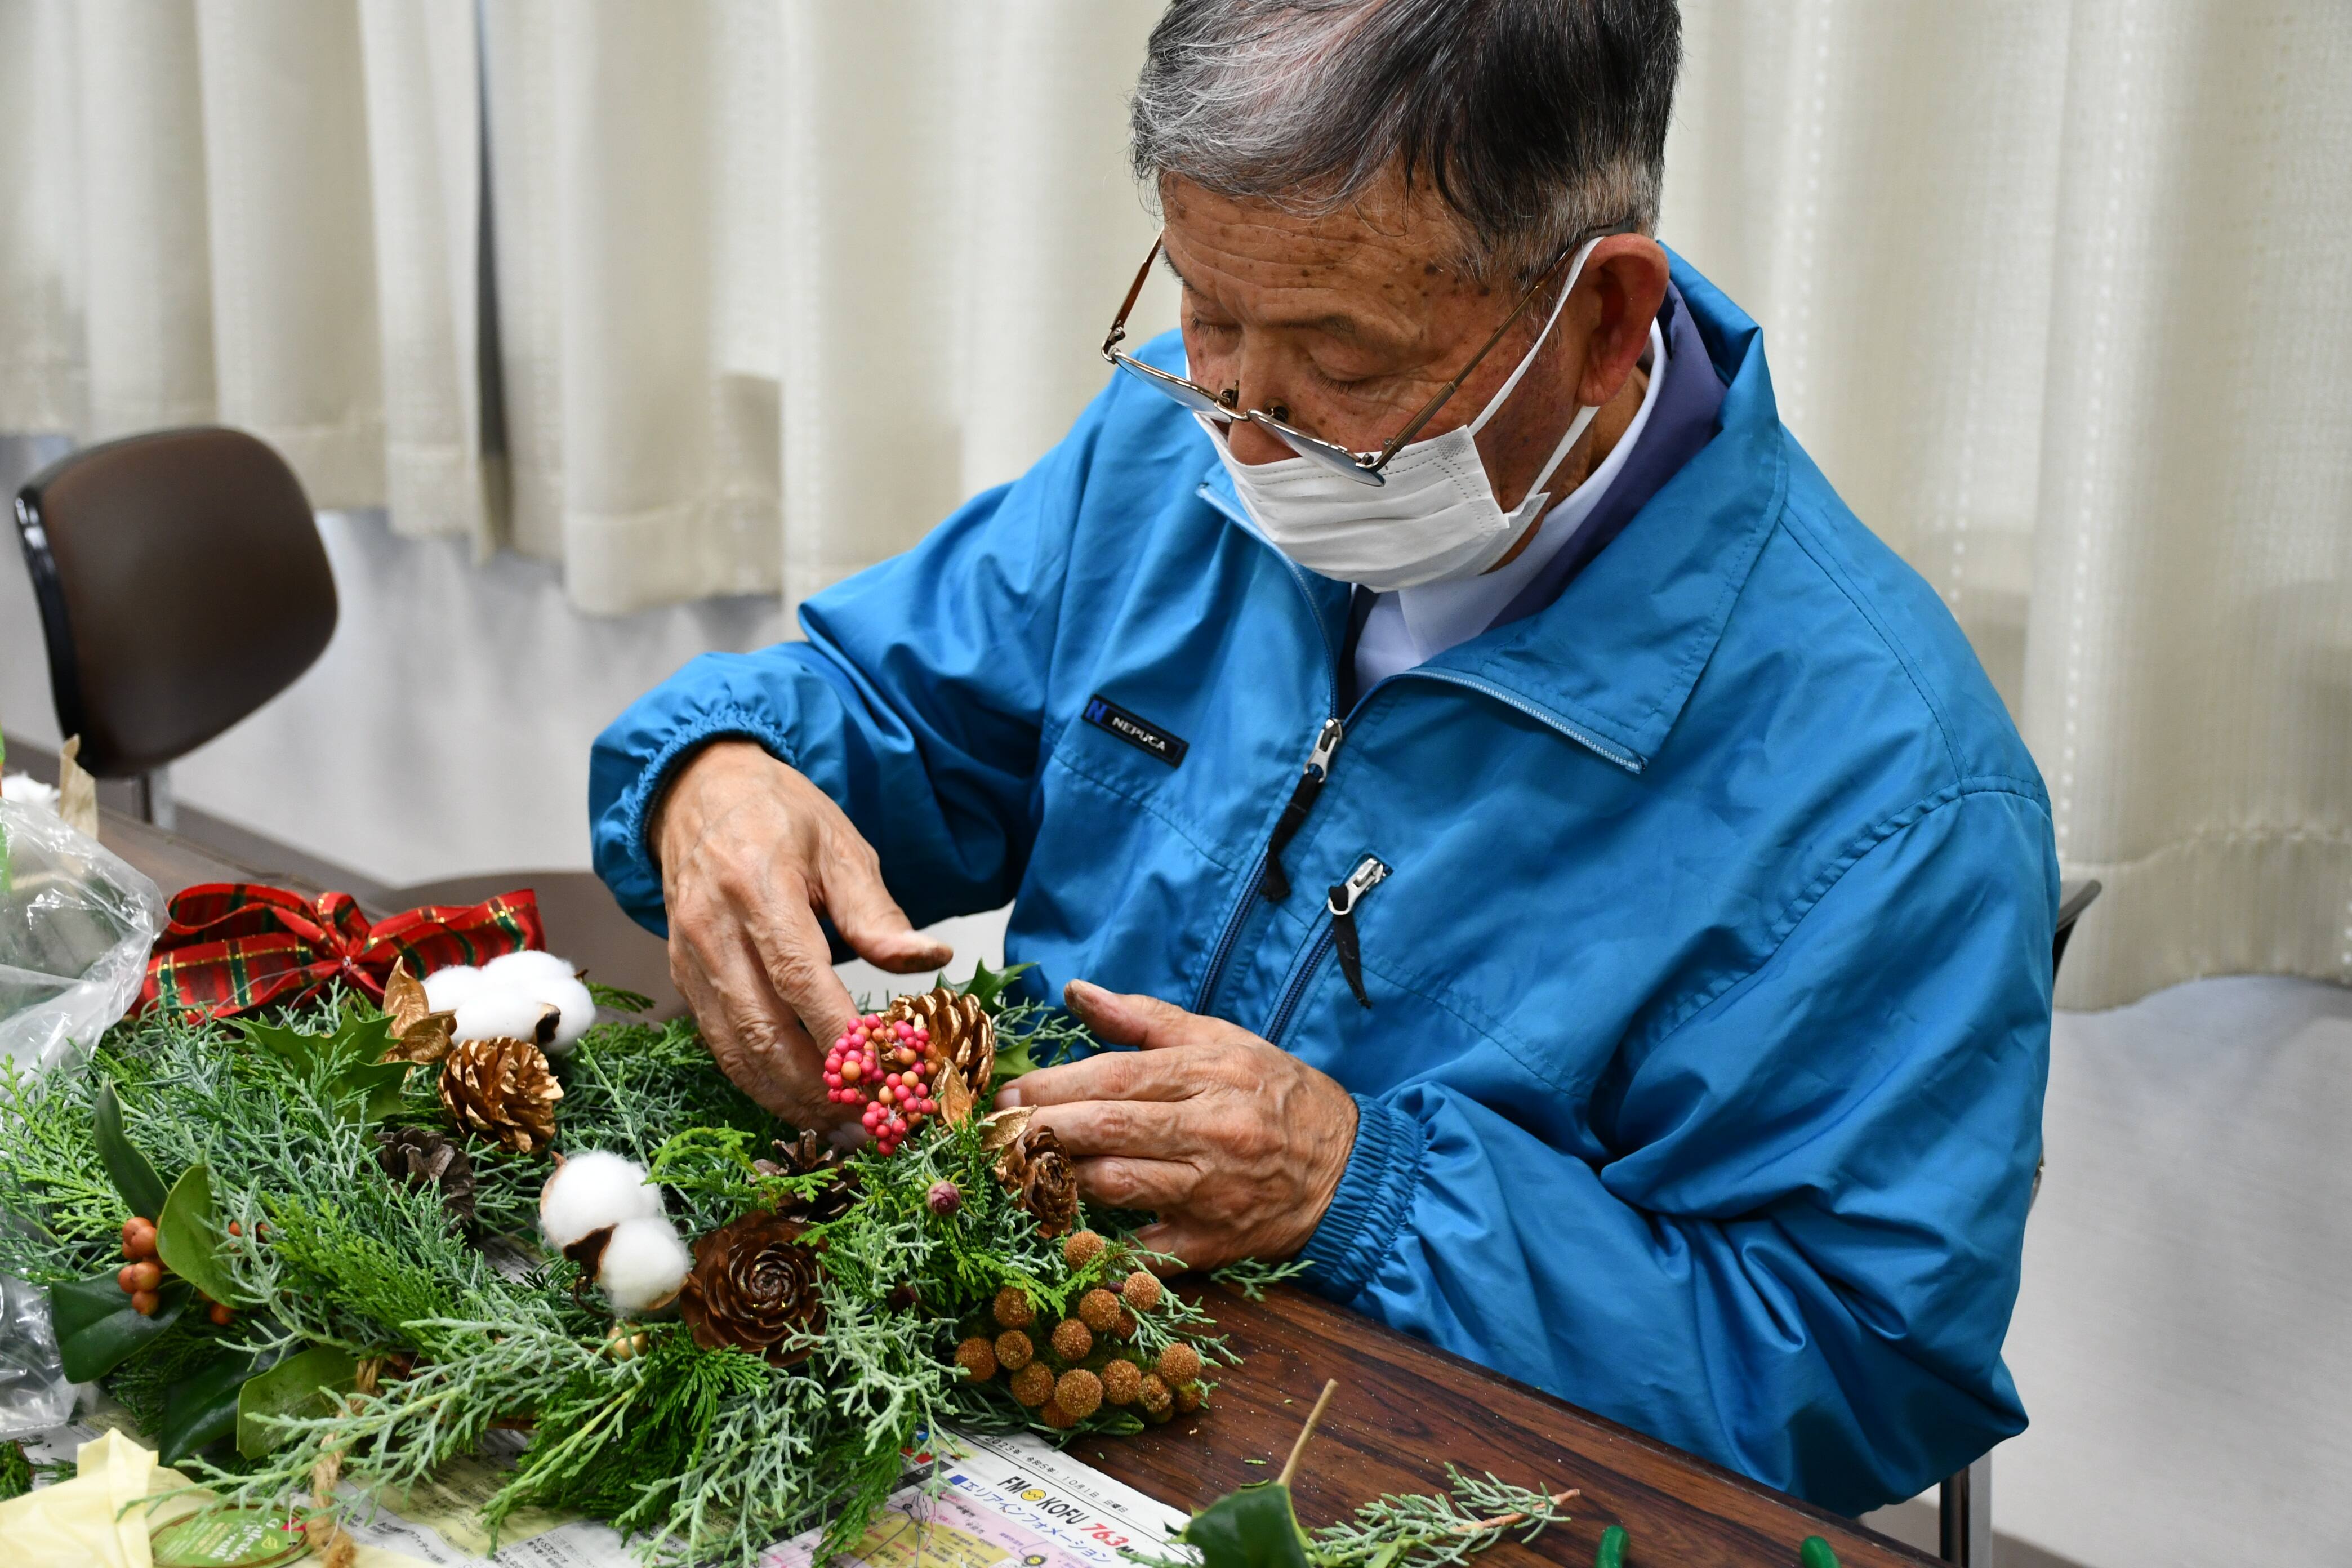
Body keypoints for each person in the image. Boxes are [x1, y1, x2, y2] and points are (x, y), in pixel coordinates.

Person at [590, 0, 2056, 1517]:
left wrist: (1361, 1191)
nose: (1244, 421)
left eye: (1342, 357)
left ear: (1609, 318)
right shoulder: (1172, 452)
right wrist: (721, 775)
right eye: (1211, 312)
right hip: (1037, 1381)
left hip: (1420, 1495)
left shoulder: (1892, 787)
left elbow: (1852, 1370)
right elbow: (881, 705)